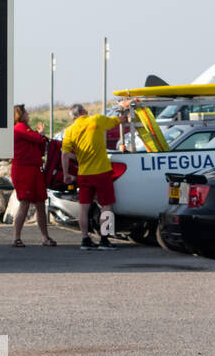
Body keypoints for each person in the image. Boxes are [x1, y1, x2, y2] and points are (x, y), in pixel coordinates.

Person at [61, 101, 130, 251]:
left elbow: (65, 154)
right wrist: (123, 112)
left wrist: (66, 174)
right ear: (84, 111)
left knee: (84, 208)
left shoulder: (70, 131)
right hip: (102, 172)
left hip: (84, 173)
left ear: (73, 118)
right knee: (106, 206)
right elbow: (119, 121)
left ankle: (85, 239)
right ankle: (104, 239)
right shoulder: (96, 120)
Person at [11, 105, 56, 247]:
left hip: (34, 169)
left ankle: (45, 237)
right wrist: (41, 134)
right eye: (26, 113)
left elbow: (40, 147)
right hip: (24, 170)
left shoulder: (25, 129)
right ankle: (16, 237)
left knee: (40, 204)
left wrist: (40, 136)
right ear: (20, 114)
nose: (28, 115)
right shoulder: (19, 128)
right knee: (24, 202)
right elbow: (37, 139)